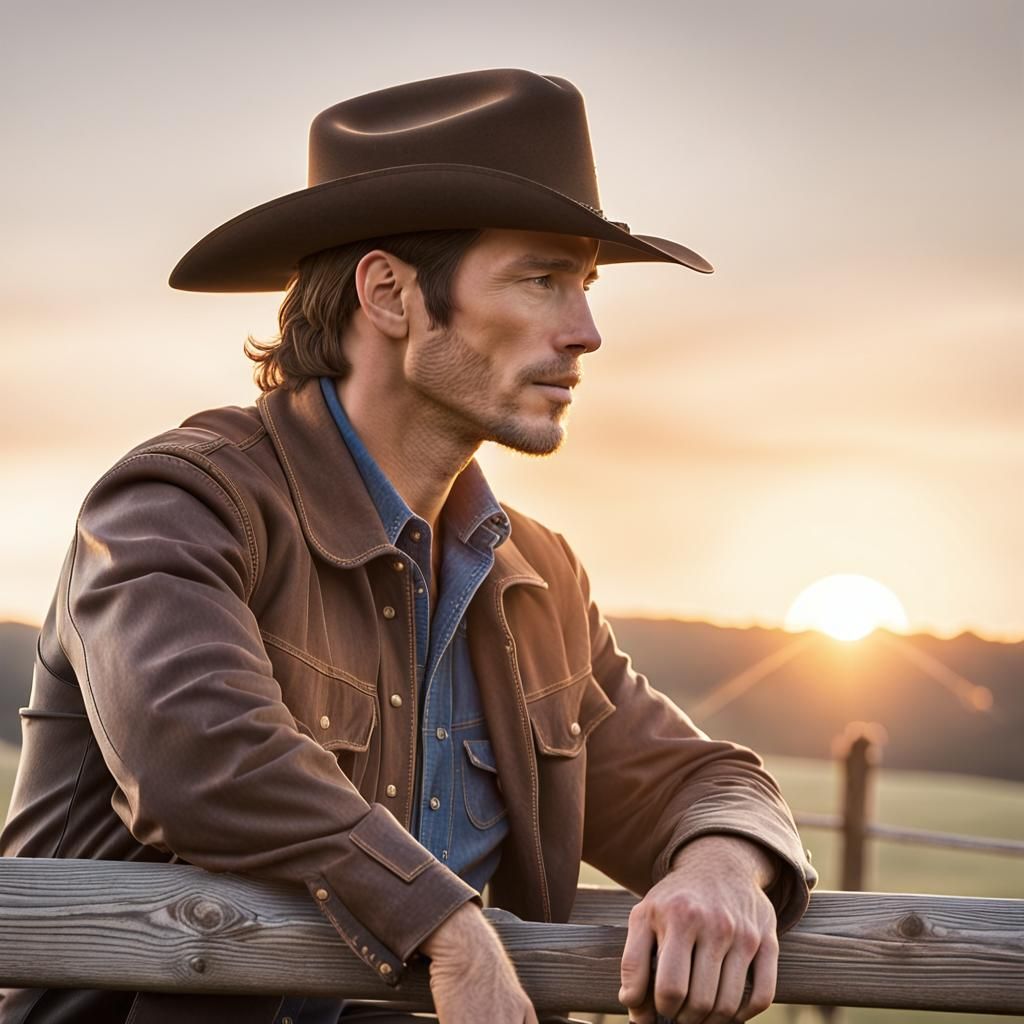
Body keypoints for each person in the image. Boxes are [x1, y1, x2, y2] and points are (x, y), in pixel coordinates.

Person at [0, 69, 816, 1024]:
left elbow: (700, 779)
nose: (587, 331)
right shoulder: (182, 502)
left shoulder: (538, 578)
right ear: (389, 293)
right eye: (543, 278)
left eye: (586, 286)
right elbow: (201, 756)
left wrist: (722, 868)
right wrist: (446, 925)